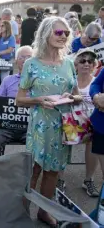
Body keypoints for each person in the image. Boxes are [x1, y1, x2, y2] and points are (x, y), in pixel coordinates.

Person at [16, 17, 82, 227]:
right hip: (40, 126)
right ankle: (21, 211)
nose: (63, 36)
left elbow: (77, 95)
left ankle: (44, 212)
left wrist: (72, 98)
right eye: (58, 32)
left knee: (53, 171)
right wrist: (39, 100)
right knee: (33, 170)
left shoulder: (70, 63)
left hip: (63, 126)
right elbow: (19, 99)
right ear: (45, 34)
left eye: (66, 33)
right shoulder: (31, 64)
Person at [57, 48, 100, 196]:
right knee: (62, 137)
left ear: (94, 64)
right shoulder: (69, 81)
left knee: (95, 139)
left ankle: (88, 180)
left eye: (90, 61)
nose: (86, 64)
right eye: (82, 60)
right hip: (71, 120)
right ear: (76, 63)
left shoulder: (97, 82)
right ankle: (60, 180)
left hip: (91, 122)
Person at [0, 46, 32, 159]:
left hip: (30, 127)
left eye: (29, 57)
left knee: (37, 142)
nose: (25, 60)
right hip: (6, 127)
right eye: (22, 57)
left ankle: (32, 174)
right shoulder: (8, 80)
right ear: (16, 60)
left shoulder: (39, 81)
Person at [0, 20, 16, 97]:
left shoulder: (11, 38)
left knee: (4, 79)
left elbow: (10, 49)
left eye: (2, 26)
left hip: (6, 61)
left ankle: (4, 96)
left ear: (7, 27)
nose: (0, 27)